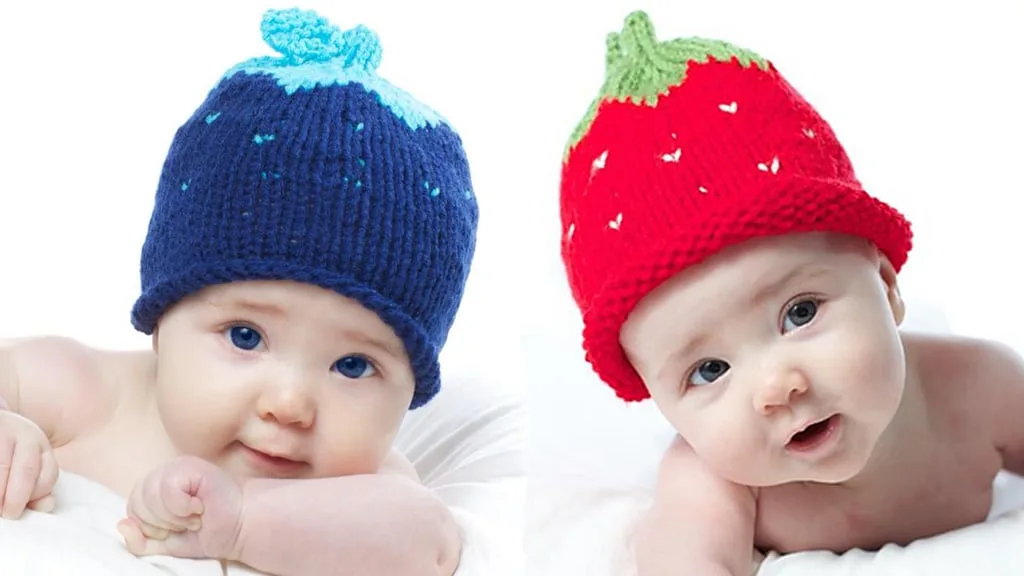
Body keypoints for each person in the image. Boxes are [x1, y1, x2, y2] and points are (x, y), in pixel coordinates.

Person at [0, 7, 478, 575]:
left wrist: (245, 523)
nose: (290, 404)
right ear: (161, 318)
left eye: (353, 365)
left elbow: (430, 542)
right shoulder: (86, 393)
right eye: (246, 335)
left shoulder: (364, 487)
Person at [556, 10, 1024, 575]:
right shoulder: (711, 482)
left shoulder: (980, 388)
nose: (775, 388)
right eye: (708, 370)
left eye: (799, 313)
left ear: (885, 284)